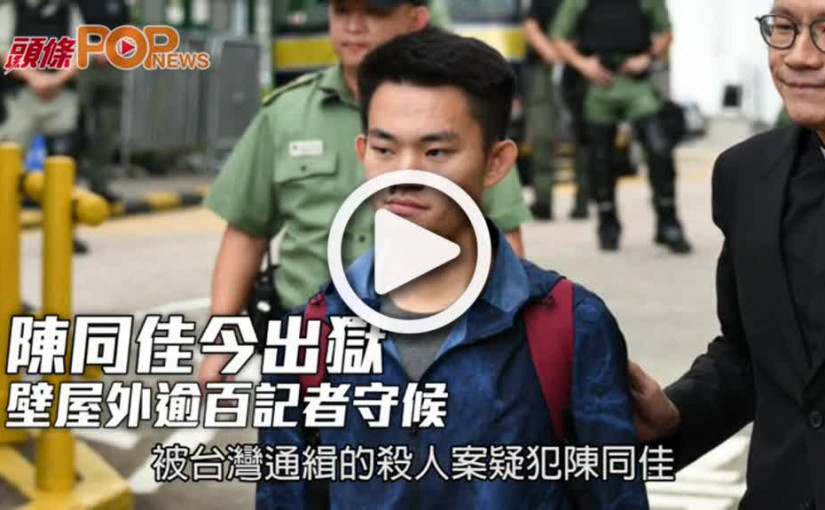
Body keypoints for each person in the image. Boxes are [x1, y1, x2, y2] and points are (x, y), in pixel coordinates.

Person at [257, 28, 648, 509]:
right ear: (362, 152)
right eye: (385, 150)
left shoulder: (569, 324)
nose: (404, 175)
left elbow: (617, 497)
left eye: (435, 152)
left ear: (496, 162)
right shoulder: (310, 334)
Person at [200, 0, 531, 387]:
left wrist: (508, 340)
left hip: (427, 345)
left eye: (374, 13)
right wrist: (222, 342)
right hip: (307, 345)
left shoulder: (457, 118)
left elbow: (503, 238)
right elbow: (247, 231)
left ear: (416, 19)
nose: (354, 26)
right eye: (342, 12)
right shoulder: (286, 115)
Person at [630, 2, 825, 508]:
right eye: (785, 28)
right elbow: (749, 354)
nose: (799, 56)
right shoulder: (748, 175)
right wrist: (673, 412)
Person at [551, 0, 691, 253]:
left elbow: (666, 33)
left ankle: (668, 221)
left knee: (659, 149)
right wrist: (583, 64)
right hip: (599, 83)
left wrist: (647, 58)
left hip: (636, 82)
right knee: (600, 157)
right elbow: (559, 36)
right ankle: (608, 223)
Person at [0, 0, 89, 254]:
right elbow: (3, 50)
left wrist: (56, 79)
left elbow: (81, 52)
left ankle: (65, 232)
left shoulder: (68, 10)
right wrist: (34, 77)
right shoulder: (11, 9)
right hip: (20, 99)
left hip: (60, 99)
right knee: (7, 167)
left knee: (65, 164)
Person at [523, 0, 588, 220]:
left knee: (582, 134)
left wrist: (569, 56)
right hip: (544, 67)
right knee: (542, 136)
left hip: (580, 68)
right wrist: (553, 54)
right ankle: (543, 201)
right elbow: (531, 28)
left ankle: (583, 200)